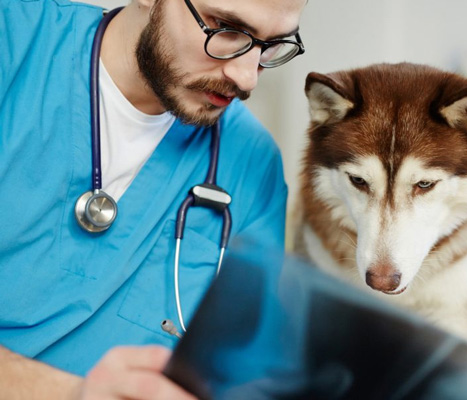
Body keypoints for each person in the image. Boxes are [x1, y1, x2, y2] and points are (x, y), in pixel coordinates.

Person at [0, 0, 306, 397]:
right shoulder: (14, 45)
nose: (247, 79)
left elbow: (245, 377)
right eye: (226, 28)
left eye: (271, 46)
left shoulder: (252, 165)